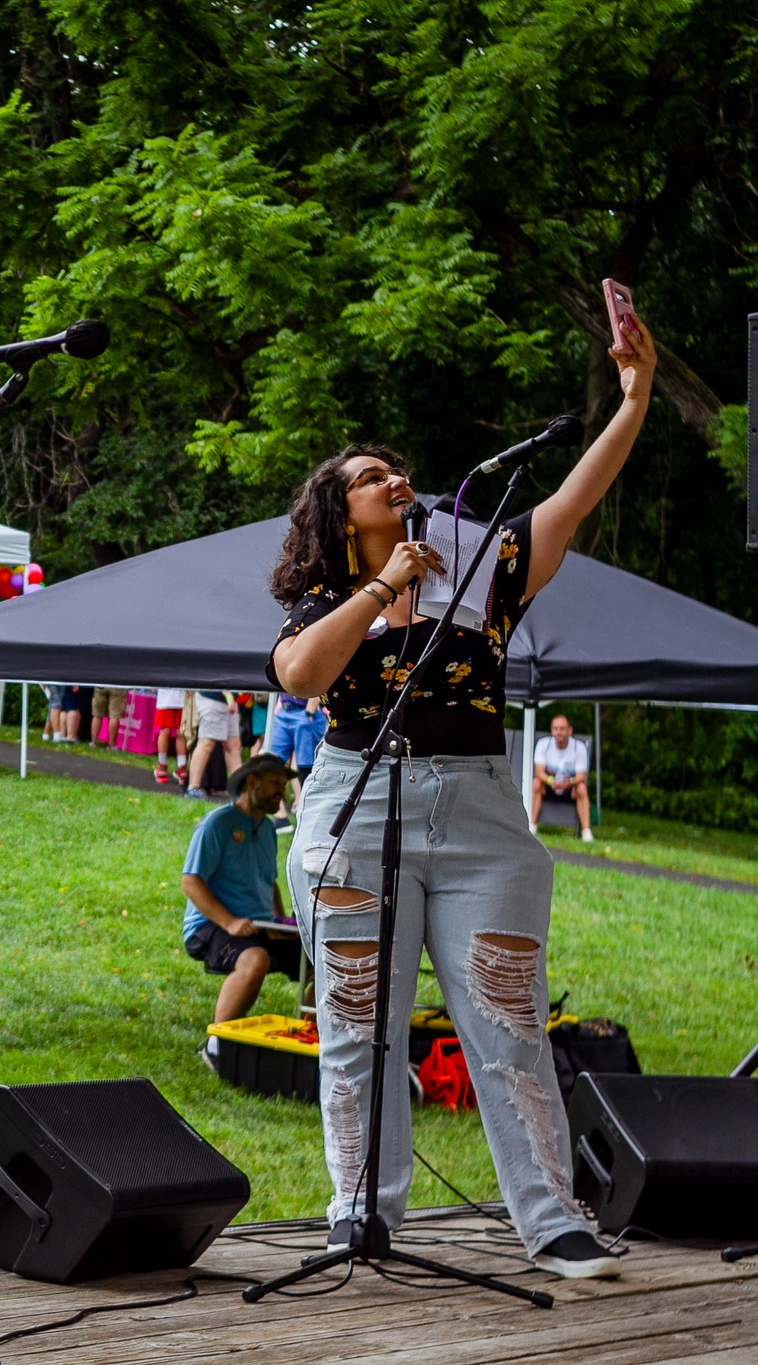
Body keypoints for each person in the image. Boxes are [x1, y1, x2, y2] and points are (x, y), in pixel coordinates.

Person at [267, 312, 656, 1278]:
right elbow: (302, 678)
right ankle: (360, 1212)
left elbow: (573, 496)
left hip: (482, 815)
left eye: (393, 470)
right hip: (357, 810)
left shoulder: (484, 569)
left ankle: (551, 1218)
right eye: (367, 476)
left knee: (507, 1020)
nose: (390, 480)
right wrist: (381, 589)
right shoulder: (323, 602)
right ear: (335, 513)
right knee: (358, 1025)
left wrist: (636, 394)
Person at [183, 754, 299, 1054]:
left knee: (321, 963)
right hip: (210, 925)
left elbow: (269, 881)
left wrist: (279, 922)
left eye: (283, 785)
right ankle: (215, 1046)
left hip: (258, 926)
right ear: (251, 782)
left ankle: (315, 1039)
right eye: (275, 783)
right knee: (255, 959)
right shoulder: (217, 824)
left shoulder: (269, 829)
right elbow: (191, 882)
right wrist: (230, 922)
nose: (281, 792)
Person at [532, 714, 594, 840]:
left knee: (582, 788)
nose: (558, 732)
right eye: (555, 728)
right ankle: (531, 826)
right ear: (551, 731)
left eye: (562, 728)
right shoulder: (543, 744)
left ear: (569, 731)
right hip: (549, 786)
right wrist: (550, 781)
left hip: (569, 788)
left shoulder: (579, 747)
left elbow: (581, 776)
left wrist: (569, 782)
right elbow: (539, 772)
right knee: (536, 783)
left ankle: (586, 832)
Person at [185, 690, 242, 796]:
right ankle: (192, 788)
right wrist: (228, 696)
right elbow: (221, 674)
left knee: (233, 745)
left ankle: (241, 790)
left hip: (228, 700)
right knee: (206, 743)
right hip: (213, 697)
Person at [153, 687, 187, 785]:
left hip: (177, 698)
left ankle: (177, 767)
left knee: (177, 731)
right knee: (169, 730)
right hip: (168, 697)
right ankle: (166, 766)